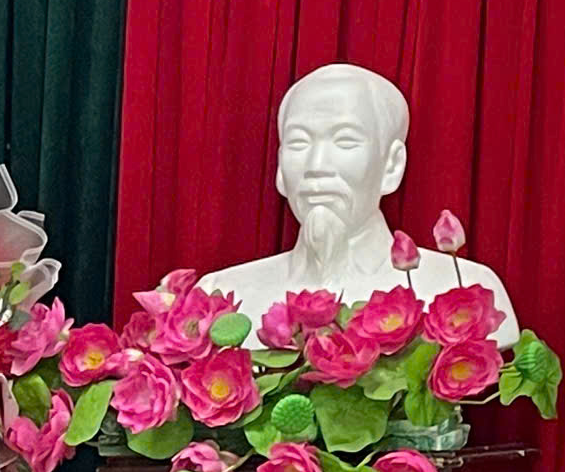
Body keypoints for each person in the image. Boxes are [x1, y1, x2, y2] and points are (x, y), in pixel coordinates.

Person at [200, 62, 517, 344]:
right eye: (299, 142)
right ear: (280, 168)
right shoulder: (221, 297)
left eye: (345, 141)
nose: (316, 165)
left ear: (392, 166)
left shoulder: (469, 293)